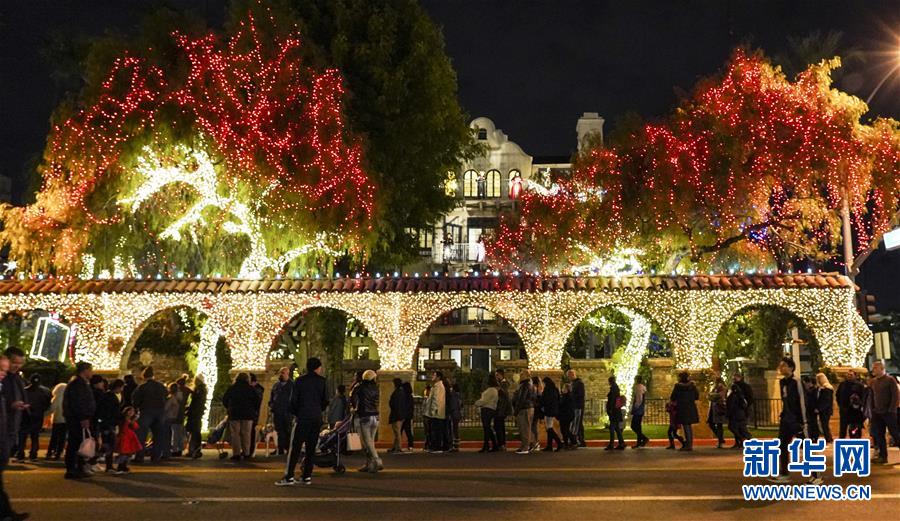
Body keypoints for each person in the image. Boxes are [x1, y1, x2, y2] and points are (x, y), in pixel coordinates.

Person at [769, 357, 822, 484]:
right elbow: (786, 401)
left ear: (791, 368)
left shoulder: (796, 382)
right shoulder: (782, 382)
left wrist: (804, 421)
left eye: (784, 365)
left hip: (798, 420)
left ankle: (817, 476)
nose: (781, 368)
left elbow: (802, 402)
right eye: (780, 365)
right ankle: (784, 474)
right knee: (782, 445)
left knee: (807, 446)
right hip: (786, 420)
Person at [276, 357, 327, 486]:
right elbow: (325, 400)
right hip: (316, 417)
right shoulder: (322, 381)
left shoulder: (300, 381)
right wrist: (318, 410)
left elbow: (293, 401)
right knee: (311, 448)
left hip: (303, 417)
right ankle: (306, 476)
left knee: (295, 447)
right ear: (317, 368)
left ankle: (289, 476)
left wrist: (296, 413)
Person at [0, 356, 28, 521]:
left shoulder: (12, 381)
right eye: (1, 369)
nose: (3, 373)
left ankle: (5, 513)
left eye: (4, 369)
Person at [62, 361, 96, 479]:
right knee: (75, 443)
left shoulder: (79, 383)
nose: (92, 373)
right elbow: (78, 403)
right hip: (77, 419)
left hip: (77, 418)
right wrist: (83, 417)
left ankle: (79, 467)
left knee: (79, 443)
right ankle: (72, 469)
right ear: (85, 371)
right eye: (90, 370)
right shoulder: (77, 384)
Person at [866, 360, 900, 465]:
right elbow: (872, 397)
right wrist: (872, 409)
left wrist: (891, 409)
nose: (873, 370)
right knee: (879, 434)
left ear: (882, 369)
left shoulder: (890, 380)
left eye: (875, 368)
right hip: (877, 412)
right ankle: (882, 456)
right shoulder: (873, 382)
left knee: (895, 433)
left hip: (889, 412)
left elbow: (895, 395)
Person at [132, 366, 168, 463]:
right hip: (160, 412)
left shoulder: (142, 387)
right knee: (158, 435)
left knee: (141, 435)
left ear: (144, 376)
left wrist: (136, 408)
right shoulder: (161, 386)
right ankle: (156, 456)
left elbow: (135, 400)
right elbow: (166, 396)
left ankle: (140, 456)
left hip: (146, 411)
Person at [222, 373, 257, 461]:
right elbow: (257, 400)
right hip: (248, 414)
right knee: (246, 434)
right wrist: (253, 410)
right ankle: (246, 452)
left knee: (235, 434)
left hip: (235, 413)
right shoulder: (250, 389)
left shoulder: (232, 388)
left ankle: (236, 453)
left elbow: (225, 399)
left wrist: (229, 408)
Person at [352, 370, 382, 473]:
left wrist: (354, 408)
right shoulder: (376, 388)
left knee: (366, 442)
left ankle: (377, 460)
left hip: (364, 415)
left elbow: (353, 398)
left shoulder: (359, 387)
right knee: (370, 442)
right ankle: (369, 464)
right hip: (375, 416)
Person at [91, 376, 122, 473]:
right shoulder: (110, 397)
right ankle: (95, 462)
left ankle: (96, 461)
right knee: (109, 445)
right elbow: (111, 411)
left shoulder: (106, 395)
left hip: (106, 423)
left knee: (107, 445)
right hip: (108, 424)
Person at [16, 375, 50, 461]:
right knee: (35, 436)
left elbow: (19, 402)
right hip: (38, 416)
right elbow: (47, 405)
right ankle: (33, 455)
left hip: (25, 416)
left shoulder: (24, 391)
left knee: (22, 436)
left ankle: (20, 455)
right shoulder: (44, 392)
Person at [2, 349, 27, 462]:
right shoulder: (4, 378)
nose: (17, 366)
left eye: (20, 363)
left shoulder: (17, 378)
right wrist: (10, 405)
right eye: (14, 362)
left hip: (13, 424)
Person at [670, 371, 699, 451]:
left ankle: (688, 445)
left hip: (682, 407)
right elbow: (697, 396)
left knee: (686, 426)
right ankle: (690, 444)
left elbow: (673, 397)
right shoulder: (692, 386)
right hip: (691, 407)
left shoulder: (678, 386)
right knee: (688, 426)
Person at [269, 367, 293, 456]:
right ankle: (280, 449)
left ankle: (288, 448)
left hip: (287, 412)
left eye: (283, 373)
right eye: (280, 373)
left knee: (287, 430)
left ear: (287, 374)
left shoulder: (292, 385)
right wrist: (272, 405)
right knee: (279, 431)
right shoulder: (276, 385)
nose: (281, 374)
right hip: (277, 412)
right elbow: (272, 397)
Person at [836, 370, 866, 438]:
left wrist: (859, 405)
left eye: (851, 375)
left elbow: (863, 397)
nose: (849, 376)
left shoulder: (859, 385)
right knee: (843, 428)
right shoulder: (842, 384)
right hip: (844, 409)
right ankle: (841, 441)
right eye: (848, 374)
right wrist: (840, 404)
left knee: (854, 428)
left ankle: (855, 440)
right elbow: (838, 395)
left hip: (855, 411)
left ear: (855, 376)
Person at [512, 370, 536, 454]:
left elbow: (521, 398)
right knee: (527, 427)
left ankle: (525, 447)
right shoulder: (530, 384)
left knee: (524, 428)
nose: (520, 376)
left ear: (526, 376)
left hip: (524, 408)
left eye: (522, 375)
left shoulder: (525, 385)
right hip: (529, 407)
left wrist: (516, 410)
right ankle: (530, 444)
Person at [423, 371, 447, 453]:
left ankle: (437, 447)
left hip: (436, 413)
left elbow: (436, 399)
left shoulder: (438, 386)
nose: (432, 376)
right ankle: (436, 446)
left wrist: (433, 410)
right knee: (435, 430)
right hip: (437, 412)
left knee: (436, 430)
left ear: (438, 377)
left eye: (434, 375)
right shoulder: (437, 386)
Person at [474, 375, 499, 452]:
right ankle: (494, 445)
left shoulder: (491, 390)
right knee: (488, 428)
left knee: (486, 428)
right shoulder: (494, 390)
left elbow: (484, 401)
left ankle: (486, 446)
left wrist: (476, 403)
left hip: (487, 409)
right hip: (490, 409)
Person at [114, 406, 141, 474]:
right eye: (129, 411)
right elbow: (123, 427)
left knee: (129, 453)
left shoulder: (131, 420)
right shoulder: (122, 419)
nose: (131, 412)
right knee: (123, 453)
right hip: (124, 437)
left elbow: (135, 427)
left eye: (132, 411)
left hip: (130, 438)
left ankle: (124, 466)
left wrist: (133, 420)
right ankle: (120, 467)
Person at [185, 374, 207, 459]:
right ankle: (194, 449)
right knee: (195, 431)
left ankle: (193, 449)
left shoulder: (199, 390)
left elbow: (196, 402)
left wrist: (190, 410)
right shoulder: (201, 389)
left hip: (195, 413)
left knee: (194, 431)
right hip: (197, 413)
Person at [726, 380, 751, 448]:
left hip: (735, 414)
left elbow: (731, 406)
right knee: (741, 428)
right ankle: (741, 441)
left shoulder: (733, 396)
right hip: (741, 414)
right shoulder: (741, 396)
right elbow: (745, 405)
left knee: (732, 427)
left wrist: (728, 413)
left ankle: (742, 439)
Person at [540, 377, 564, 452]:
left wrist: (541, 404)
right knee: (549, 427)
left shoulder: (547, 389)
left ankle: (559, 443)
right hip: (553, 410)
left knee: (549, 428)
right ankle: (549, 445)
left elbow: (545, 400)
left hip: (548, 410)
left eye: (543, 383)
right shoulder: (555, 389)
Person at [388, 378, 410, 454]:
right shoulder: (401, 392)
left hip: (397, 415)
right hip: (399, 415)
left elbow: (395, 404)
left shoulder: (398, 392)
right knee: (396, 432)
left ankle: (399, 448)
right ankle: (395, 447)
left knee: (397, 432)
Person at [45, 382, 67, 460]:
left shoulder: (57, 398)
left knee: (54, 437)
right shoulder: (68, 398)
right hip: (66, 420)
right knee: (62, 437)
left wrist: (44, 414)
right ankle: (59, 452)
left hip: (57, 420)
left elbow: (52, 409)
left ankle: (50, 452)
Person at [493, 369, 512, 451]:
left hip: (501, 409)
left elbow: (505, 396)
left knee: (499, 426)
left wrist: (498, 389)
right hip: (499, 409)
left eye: (497, 375)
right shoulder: (501, 384)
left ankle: (501, 444)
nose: (496, 377)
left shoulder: (504, 384)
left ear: (501, 375)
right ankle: (501, 443)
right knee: (499, 426)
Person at [567, 369, 586, 447]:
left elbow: (581, 395)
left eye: (569, 376)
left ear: (573, 375)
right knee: (577, 423)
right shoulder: (573, 383)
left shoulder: (579, 383)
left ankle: (579, 440)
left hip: (578, 406)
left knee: (577, 423)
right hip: (575, 406)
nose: (568, 377)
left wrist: (571, 395)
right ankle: (579, 440)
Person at [605, 375, 625, 450]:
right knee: (616, 428)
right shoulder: (615, 388)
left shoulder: (614, 388)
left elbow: (612, 400)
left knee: (612, 428)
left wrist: (610, 409)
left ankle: (611, 444)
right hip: (616, 411)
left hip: (614, 411)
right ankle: (621, 443)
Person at [707, 377, 727, 448]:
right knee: (711, 423)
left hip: (719, 408)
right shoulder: (714, 387)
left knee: (719, 425)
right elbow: (709, 396)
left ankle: (720, 441)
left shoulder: (722, 387)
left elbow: (719, 395)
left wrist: (712, 395)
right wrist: (711, 395)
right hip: (713, 408)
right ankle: (720, 439)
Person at [814, 372, 834, 443]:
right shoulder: (823, 388)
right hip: (825, 410)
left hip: (825, 410)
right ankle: (828, 438)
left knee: (824, 425)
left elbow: (826, 401)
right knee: (824, 425)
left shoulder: (826, 389)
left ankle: (828, 438)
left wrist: (819, 409)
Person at [631, 376, 649, 449]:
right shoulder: (643, 387)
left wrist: (635, 407)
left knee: (633, 426)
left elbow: (639, 399)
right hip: (641, 409)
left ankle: (644, 438)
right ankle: (639, 442)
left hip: (638, 409)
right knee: (638, 426)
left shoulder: (638, 387)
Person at [801, 375, 820, 442]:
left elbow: (815, 399)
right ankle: (811, 436)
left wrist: (816, 408)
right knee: (810, 423)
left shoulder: (814, 390)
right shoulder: (808, 390)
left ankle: (814, 436)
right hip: (808, 409)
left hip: (813, 409)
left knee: (813, 423)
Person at [559, 383, 577, 449]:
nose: (562, 389)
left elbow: (564, 405)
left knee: (565, 430)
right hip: (564, 415)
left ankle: (574, 442)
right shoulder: (564, 396)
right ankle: (566, 443)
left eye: (563, 388)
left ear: (567, 389)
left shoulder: (568, 396)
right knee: (563, 430)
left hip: (566, 415)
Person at [447, 382, 462, 452]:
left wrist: (450, 411)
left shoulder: (453, 395)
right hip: (458, 413)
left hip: (454, 413)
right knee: (456, 429)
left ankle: (454, 446)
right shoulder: (458, 395)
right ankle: (456, 445)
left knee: (454, 430)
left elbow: (452, 405)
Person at [400, 382, 415, 451]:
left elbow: (404, 406)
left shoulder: (405, 396)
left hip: (404, 416)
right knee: (408, 431)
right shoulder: (410, 396)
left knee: (400, 431)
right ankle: (410, 445)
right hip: (408, 416)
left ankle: (398, 445)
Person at [530, 376, 543, 452]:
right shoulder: (540, 389)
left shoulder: (534, 389)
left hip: (534, 410)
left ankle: (534, 442)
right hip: (537, 410)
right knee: (534, 426)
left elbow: (534, 399)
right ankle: (535, 442)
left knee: (532, 426)